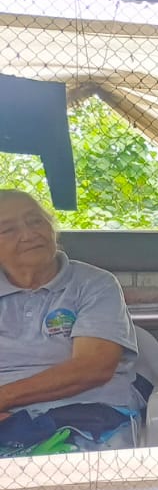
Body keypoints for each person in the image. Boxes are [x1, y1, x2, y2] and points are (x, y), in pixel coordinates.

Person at [0, 189, 143, 451]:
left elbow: (93, 367)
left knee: (81, 473)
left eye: (35, 221)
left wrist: (5, 397)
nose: (29, 235)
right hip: (6, 419)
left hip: (88, 416)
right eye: (8, 230)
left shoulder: (94, 284)